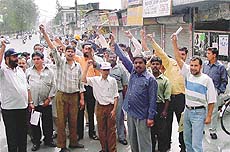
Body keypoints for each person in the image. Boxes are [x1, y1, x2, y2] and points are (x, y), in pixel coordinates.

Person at [39, 24, 85, 152]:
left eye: (72, 51)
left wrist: (81, 98)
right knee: (61, 122)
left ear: (74, 53)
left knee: (73, 120)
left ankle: (74, 142)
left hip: (74, 96)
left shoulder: (78, 66)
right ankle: (62, 145)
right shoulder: (60, 63)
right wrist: (45, 33)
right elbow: (53, 48)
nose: (70, 53)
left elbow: (81, 84)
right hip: (62, 96)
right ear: (64, 53)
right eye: (68, 51)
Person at [111, 34, 158, 152]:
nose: (137, 65)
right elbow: (123, 58)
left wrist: (151, 117)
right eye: (136, 63)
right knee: (133, 141)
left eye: (140, 63)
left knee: (144, 143)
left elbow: (153, 100)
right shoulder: (133, 72)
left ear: (145, 64)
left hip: (143, 115)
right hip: (131, 112)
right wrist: (114, 43)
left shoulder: (150, 79)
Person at [171, 34, 216, 152]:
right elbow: (178, 58)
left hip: (199, 113)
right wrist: (175, 43)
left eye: (196, 66)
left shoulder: (206, 80)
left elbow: (212, 101)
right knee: (187, 141)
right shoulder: (188, 74)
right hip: (187, 112)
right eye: (191, 65)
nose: (193, 68)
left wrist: (209, 116)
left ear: (200, 66)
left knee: (196, 144)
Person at [147, 34, 187, 151]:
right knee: (166, 124)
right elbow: (161, 53)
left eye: (183, 54)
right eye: (179, 54)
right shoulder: (170, 63)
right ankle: (166, 145)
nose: (181, 56)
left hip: (181, 98)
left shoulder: (189, 69)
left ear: (186, 56)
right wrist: (152, 41)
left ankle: (182, 146)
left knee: (182, 124)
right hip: (168, 99)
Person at [0, 44, 33, 152]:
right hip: (9, 110)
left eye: (17, 57)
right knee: (12, 137)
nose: (16, 59)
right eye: (14, 57)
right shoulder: (3, 71)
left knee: (22, 135)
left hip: (23, 108)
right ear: (7, 58)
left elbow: (26, 87)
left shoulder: (19, 70)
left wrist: (30, 102)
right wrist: (3, 48)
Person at [82, 61, 119, 152]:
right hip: (100, 106)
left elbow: (116, 96)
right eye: (104, 70)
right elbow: (83, 79)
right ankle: (104, 149)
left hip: (110, 106)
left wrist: (114, 110)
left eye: (107, 70)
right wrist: (87, 67)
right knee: (101, 129)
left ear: (109, 70)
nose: (105, 72)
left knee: (111, 129)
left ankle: (112, 149)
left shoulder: (113, 81)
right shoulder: (95, 80)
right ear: (100, 70)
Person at [26, 51, 56, 151]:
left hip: (46, 102)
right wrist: (30, 102)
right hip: (34, 103)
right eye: (34, 59)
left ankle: (48, 140)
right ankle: (36, 142)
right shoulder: (28, 71)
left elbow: (53, 86)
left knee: (47, 122)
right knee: (35, 123)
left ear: (42, 59)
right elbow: (26, 87)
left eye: (38, 59)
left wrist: (49, 98)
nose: (36, 61)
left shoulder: (49, 71)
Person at [74, 42, 103, 141]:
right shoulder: (78, 59)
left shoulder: (94, 61)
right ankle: (79, 133)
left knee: (91, 112)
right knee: (80, 111)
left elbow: (98, 73)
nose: (87, 50)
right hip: (80, 87)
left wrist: (91, 56)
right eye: (85, 48)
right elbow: (67, 51)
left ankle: (92, 132)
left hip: (91, 87)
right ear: (82, 50)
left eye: (89, 49)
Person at [203, 47, 228, 139]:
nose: (207, 55)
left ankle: (212, 130)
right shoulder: (205, 65)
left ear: (214, 55)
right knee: (202, 110)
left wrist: (219, 91)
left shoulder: (220, 67)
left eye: (209, 53)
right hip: (204, 90)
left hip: (214, 91)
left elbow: (224, 80)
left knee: (213, 112)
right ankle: (201, 129)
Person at [150, 56, 171, 152]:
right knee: (150, 131)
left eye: (157, 64)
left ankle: (162, 149)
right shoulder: (147, 78)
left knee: (161, 131)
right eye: (153, 64)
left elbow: (167, 98)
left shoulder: (165, 80)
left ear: (160, 66)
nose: (155, 66)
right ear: (150, 65)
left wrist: (165, 111)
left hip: (160, 107)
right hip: (149, 107)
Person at [107, 52, 128, 145]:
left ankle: (121, 136)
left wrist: (124, 99)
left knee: (119, 116)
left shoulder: (121, 69)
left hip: (118, 95)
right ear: (107, 57)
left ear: (116, 58)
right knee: (106, 117)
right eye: (110, 57)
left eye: (114, 57)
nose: (112, 58)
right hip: (106, 95)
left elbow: (125, 85)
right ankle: (107, 137)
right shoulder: (104, 67)